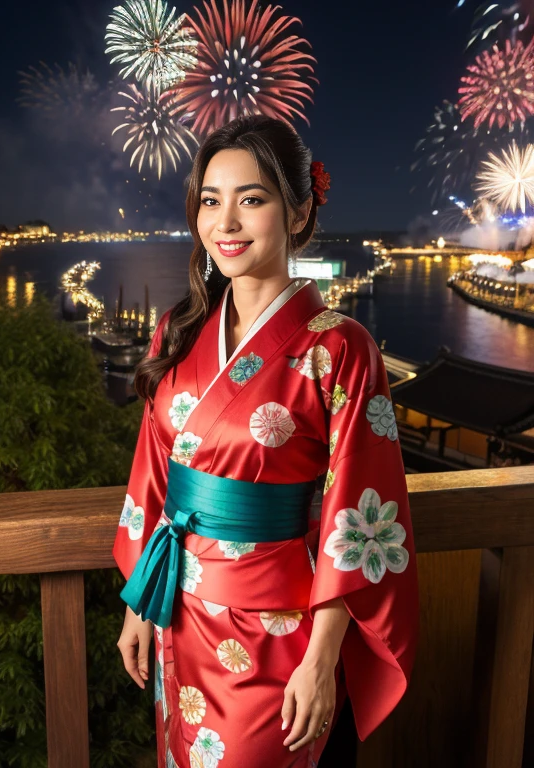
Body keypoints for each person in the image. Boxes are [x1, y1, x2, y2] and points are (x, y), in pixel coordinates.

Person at [114, 115, 419, 768]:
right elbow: (154, 473)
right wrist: (143, 600)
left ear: (299, 211)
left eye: (251, 200)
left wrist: (322, 657)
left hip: (281, 630)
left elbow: (359, 512)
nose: (225, 223)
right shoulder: (178, 328)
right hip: (181, 613)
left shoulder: (340, 346)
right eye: (210, 201)